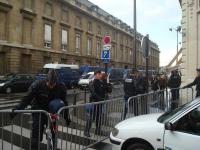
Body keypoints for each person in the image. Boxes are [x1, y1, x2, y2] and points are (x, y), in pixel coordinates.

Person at [10, 69, 70, 150]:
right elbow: (26, 98)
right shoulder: (37, 84)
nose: (51, 86)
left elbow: (64, 102)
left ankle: (53, 147)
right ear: (46, 80)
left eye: (53, 84)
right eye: (49, 84)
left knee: (53, 133)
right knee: (37, 133)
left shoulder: (61, 87)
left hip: (52, 112)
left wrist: (67, 117)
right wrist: (16, 110)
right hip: (38, 110)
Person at [84, 70, 109, 137]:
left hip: (100, 103)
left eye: (100, 74)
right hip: (94, 103)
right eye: (98, 74)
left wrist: (107, 82)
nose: (100, 75)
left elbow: (108, 90)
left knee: (99, 117)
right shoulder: (92, 82)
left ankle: (97, 131)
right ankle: (86, 131)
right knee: (91, 118)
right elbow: (93, 93)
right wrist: (102, 99)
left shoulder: (102, 82)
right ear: (95, 75)